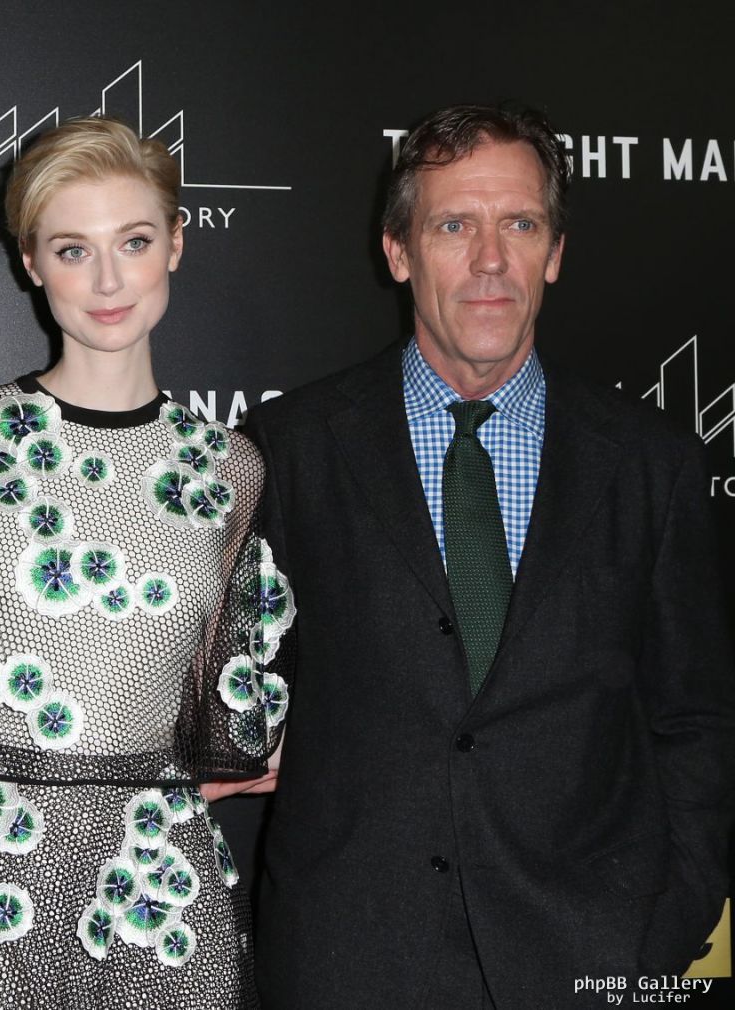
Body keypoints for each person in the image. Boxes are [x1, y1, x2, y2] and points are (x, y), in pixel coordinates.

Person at [249, 103, 735, 1009]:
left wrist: (668, 926)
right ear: (398, 252)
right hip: (350, 963)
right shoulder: (288, 449)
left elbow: (696, 720)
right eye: (453, 226)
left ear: (554, 253)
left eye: (519, 224)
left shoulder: (652, 463)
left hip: (591, 959)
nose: (489, 260)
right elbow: (231, 694)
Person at [0, 116, 291, 1008]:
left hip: (157, 882)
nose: (108, 280)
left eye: (134, 241)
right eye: (72, 249)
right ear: (30, 262)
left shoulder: (228, 468)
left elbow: (234, 720)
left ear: (175, 243)